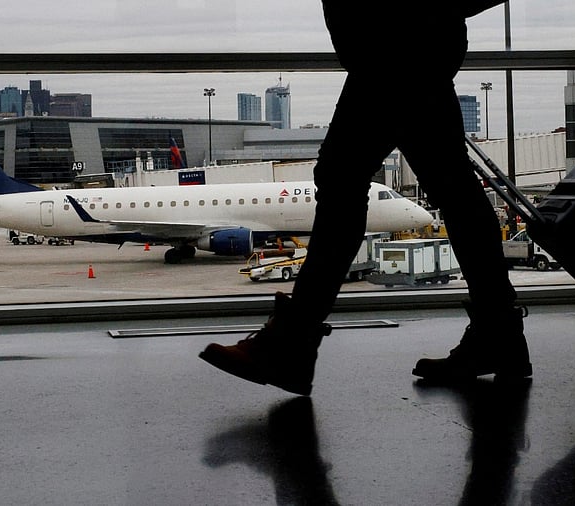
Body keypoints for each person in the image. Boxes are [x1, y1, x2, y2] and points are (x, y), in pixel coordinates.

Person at [200, 0, 531, 396]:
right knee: (451, 190)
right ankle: (499, 334)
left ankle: (289, 344)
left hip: (392, 55)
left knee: (344, 182)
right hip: (405, 50)